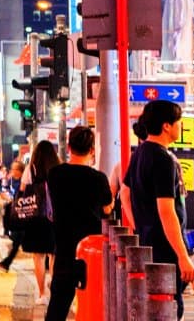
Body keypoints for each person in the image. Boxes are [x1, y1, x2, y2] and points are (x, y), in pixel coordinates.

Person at [127, 99, 194, 318]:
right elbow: (167, 210)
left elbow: (124, 194)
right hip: (166, 248)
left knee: (156, 306)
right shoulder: (162, 158)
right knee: (170, 307)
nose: (181, 126)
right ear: (167, 125)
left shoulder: (140, 153)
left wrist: (140, 226)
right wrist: (182, 256)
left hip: (149, 242)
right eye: (179, 122)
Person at [45, 126, 115, 321]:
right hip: (91, 250)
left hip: (65, 246)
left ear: (69, 147)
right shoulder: (98, 178)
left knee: (58, 304)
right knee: (93, 303)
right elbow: (107, 207)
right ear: (92, 150)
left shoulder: (55, 174)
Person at [2, 142, 59, 301]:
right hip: (54, 217)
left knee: (38, 257)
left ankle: (41, 294)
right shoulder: (58, 168)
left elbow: (22, 191)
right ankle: (54, 291)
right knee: (53, 255)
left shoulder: (30, 169)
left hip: (35, 217)